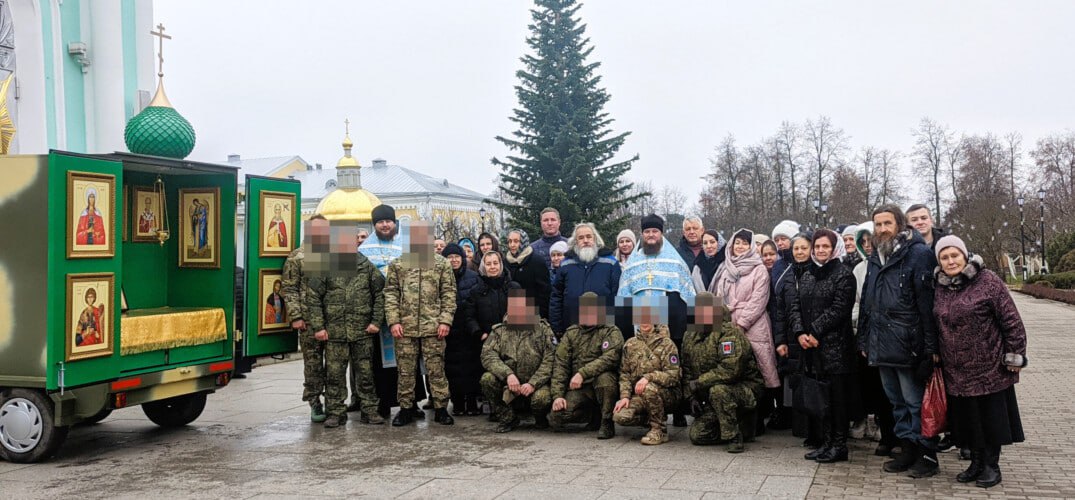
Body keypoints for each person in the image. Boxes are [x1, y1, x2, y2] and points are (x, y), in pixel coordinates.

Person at [933, 236, 1026, 488]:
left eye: (955, 255)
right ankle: (975, 462)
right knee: (967, 418)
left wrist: (1014, 354)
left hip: (988, 366)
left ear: (965, 255)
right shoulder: (940, 285)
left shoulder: (988, 281)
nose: (950, 261)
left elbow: (1011, 321)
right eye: (944, 257)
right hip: (956, 368)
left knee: (989, 418)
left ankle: (991, 465)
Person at [858, 204, 940, 478]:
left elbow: (927, 304)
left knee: (915, 402)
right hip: (881, 343)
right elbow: (868, 300)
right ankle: (907, 448)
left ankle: (925, 453)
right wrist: (864, 339)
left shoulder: (918, 254)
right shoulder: (876, 256)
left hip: (908, 343)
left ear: (900, 225)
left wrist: (931, 347)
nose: (882, 229)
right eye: (878, 224)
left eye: (887, 223)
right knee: (896, 402)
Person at [300, 221, 386, 428]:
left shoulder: (367, 267)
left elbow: (380, 294)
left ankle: (369, 410)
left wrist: (376, 322)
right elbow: (313, 297)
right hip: (334, 333)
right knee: (334, 375)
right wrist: (319, 327)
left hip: (362, 332)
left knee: (365, 373)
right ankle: (335, 412)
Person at [618, 213, 696, 426]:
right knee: (642, 363)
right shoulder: (633, 262)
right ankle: (646, 410)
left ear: (661, 234)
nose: (651, 235)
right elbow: (624, 294)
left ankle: (678, 411)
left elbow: (687, 293)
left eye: (655, 231)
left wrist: (682, 324)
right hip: (641, 319)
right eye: (647, 232)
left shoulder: (674, 260)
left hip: (670, 320)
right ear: (642, 235)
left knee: (672, 364)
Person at [385, 220, 458, 427]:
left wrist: (445, 321)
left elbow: (449, 293)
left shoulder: (441, 264)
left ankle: (441, 408)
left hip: (433, 327)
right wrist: (393, 321)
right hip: (405, 328)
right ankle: (406, 408)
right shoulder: (398, 264)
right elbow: (390, 294)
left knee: (436, 369)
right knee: (405, 371)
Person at [795, 229, 859, 463]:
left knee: (837, 398)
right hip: (811, 347)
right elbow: (796, 306)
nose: (821, 250)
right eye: (817, 247)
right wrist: (800, 332)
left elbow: (839, 309)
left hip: (836, 347)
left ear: (834, 248)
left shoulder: (843, 275)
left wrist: (815, 330)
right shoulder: (808, 275)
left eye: (825, 246)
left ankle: (839, 444)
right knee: (822, 397)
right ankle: (826, 442)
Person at [710, 229, 781, 431]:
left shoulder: (759, 269)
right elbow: (718, 297)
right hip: (728, 323)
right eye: (737, 242)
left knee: (757, 370)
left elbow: (759, 299)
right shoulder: (726, 269)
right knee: (733, 368)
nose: (740, 247)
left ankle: (759, 418)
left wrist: (741, 323)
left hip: (754, 325)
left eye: (745, 243)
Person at [360, 204, 424, 418]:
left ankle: (412, 403)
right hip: (378, 313)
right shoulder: (364, 249)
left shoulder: (409, 243)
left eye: (388, 221)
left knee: (409, 357)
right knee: (379, 361)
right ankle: (384, 402)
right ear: (374, 225)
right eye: (380, 222)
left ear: (394, 222)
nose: (385, 225)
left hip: (406, 311)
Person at [681, 292, 765, 453]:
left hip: (743, 389)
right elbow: (686, 370)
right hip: (712, 395)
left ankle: (734, 437)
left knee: (718, 390)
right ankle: (741, 427)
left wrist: (698, 383)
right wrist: (691, 397)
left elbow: (730, 370)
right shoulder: (690, 335)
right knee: (698, 435)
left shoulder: (729, 333)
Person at [549, 293, 624, 439]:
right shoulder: (571, 333)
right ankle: (592, 414)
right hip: (580, 388)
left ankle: (606, 421)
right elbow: (561, 365)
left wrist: (582, 373)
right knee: (557, 417)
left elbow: (610, 358)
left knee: (605, 380)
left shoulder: (611, 331)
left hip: (602, 383)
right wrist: (557, 396)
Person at [480, 289, 555, 433]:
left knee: (541, 399)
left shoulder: (543, 329)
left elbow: (550, 359)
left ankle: (540, 419)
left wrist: (533, 383)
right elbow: (487, 355)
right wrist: (507, 374)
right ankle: (508, 418)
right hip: (508, 383)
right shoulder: (499, 331)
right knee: (487, 379)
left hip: (537, 383)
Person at [612, 300, 680, 445]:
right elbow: (624, 374)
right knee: (620, 416)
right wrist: (625, 396)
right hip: (640, 395)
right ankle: (650, 420)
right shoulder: (630, 344)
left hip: (666, 394)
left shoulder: (667, 344)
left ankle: (659, 430)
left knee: (648, 388)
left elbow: (673, 375)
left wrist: (648, 377)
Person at [282, 215, 328, 424]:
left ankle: (334, 401)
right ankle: (314, 401)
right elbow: (289, 289)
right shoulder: (297, 257)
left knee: (336, 364)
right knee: (313, 364)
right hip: (308, 321)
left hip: (333, 319)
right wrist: (296, 316)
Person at [550, 223, 621, 336]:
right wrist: (556, 327)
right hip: (572, 329)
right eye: (581, 238)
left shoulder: (610, 263)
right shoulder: (566, 264)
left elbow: (618, 296)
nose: (586, 240)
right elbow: (556, 297)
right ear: (575, 242)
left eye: (589, 236)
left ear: (595, 239)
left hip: (604, 330)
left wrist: (617, 327)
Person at [441, 243, 483, 416]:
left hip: (469, 329)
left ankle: (472, 401)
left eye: (457, 256)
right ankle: (457, 401)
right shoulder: (440, 277)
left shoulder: (473, 277)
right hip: (449, 330)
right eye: (450, 257)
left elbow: (479, 301)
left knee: (472, 366)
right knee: (452, 368)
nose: (454, 260)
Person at [505, 228, 552, 320]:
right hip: (511, 312)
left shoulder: (536, 261)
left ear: (524, 242)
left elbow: (544, 292)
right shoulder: (505, 262)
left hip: (533, 312)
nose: (512, 245)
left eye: (516, 241)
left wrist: (540, 316)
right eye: (510, 241)